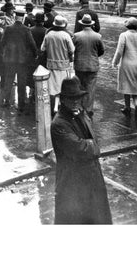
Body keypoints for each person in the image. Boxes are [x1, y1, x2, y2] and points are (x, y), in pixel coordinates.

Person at [50, 77, 112, 225]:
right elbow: (80, 149)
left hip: (92, 179)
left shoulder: (81, 113)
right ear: (63, 99)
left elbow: (91, 141)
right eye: (71, 98)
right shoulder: (59, 124)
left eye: (78, 98)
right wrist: (93, 146)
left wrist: (90, 145)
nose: (76, 101)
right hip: (72, 184)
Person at [1, 9, 38, 112]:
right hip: (22, 60)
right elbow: (32, 44)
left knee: (9, 80)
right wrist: (35, 54)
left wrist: (5, 52)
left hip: (10, 59)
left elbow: (2, 42)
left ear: (15, 17)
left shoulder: (8, 28)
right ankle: (21, 104)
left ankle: (5, 100)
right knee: (21, 81)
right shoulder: (26, 29)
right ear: (22, 18)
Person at [40, 14, 75, 115]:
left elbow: (42, 49)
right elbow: (72, 50)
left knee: (52, 86)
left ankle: (53, 105)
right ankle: (57, 105)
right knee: (61, 85)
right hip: (63, 65)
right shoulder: (66, 36)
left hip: (51, 64)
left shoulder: (48, 35)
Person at [111, 17, 137, 118]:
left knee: (126, 85)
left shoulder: (124, 35)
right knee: (135, 85)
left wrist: (115, 62)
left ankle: (127, 107)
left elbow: (119, 51)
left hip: (126, 63)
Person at [73, 13, 105, 117]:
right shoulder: (98, 36)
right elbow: (101, 51)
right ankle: (89, 109)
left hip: (79, 65)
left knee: (80, 87)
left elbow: (73, 50)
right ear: (91, 25)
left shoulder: (77, 36)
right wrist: (94, 56)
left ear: (82, 24)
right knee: (90, 88)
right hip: (92, 66)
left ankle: (81, 107)